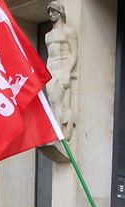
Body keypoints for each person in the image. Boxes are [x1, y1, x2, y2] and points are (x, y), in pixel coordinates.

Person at [45, 1, 78, 139]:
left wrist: (67, 72)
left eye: (54, 11)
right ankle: (55, 131)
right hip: (51, 71)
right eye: (49, 12)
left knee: (58, 101)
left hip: (62, 70)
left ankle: (57, 133)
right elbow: (49, 56)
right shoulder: (48, 35)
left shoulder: (68, 31)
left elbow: (74, 53)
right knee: (52, 102)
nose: (51, 14)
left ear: (60, 12)